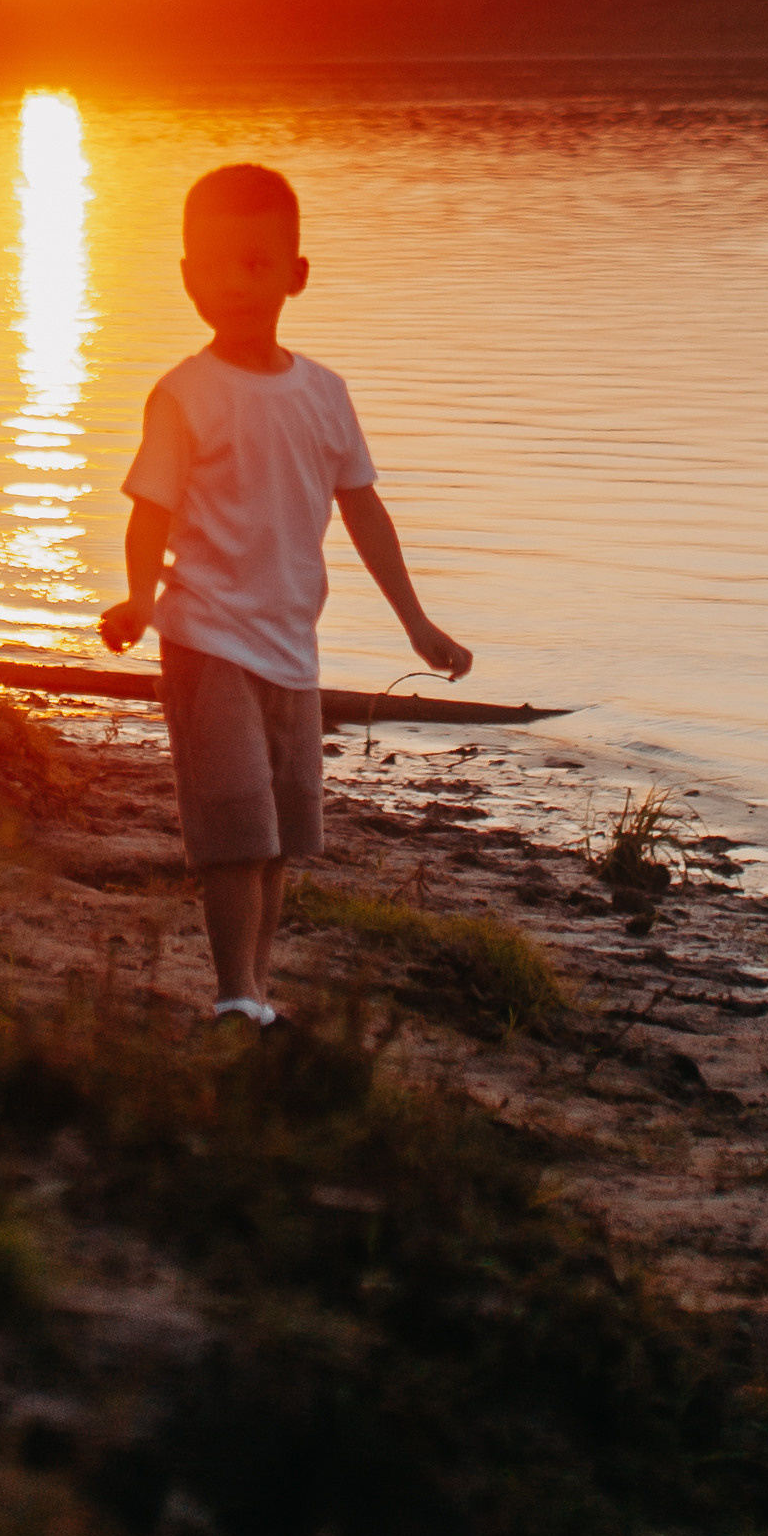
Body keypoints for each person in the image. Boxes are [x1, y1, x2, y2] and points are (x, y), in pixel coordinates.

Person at [100, 163, 471, 1028]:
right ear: (187, 276)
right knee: (234, 829)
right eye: (215, 265)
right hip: (207, 642)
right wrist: (134, 599)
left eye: (257, 264)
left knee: (280, 835)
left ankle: (257, 994)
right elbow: (148, 511)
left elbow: (364, 513)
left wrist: (416, 625)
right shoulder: (184, 394)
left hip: (291, 650)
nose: (235, 284)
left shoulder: (324, 395)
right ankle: (234, 996)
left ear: (295, 274)